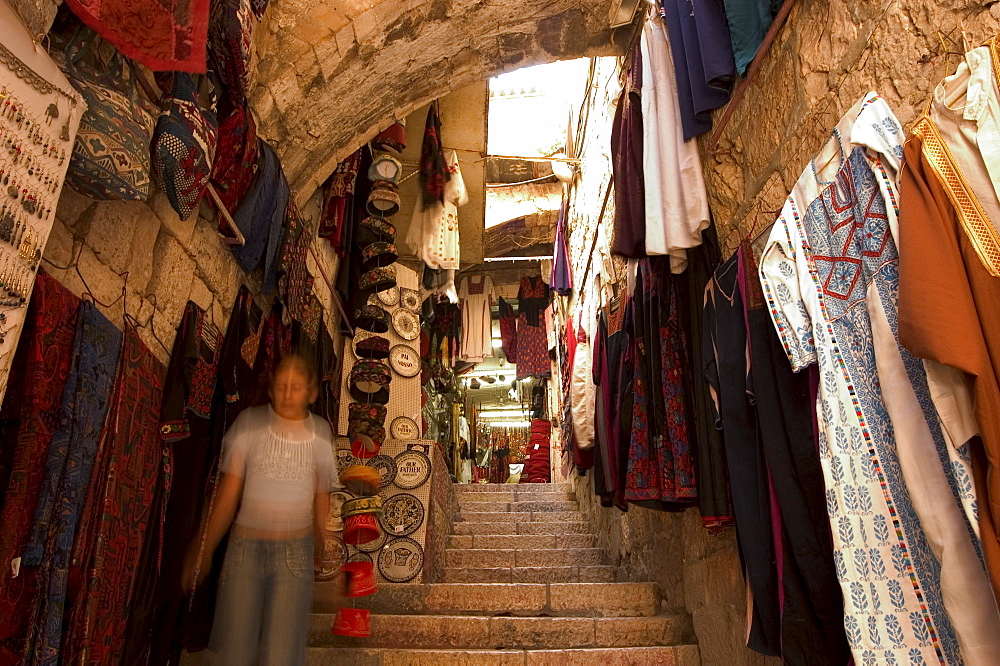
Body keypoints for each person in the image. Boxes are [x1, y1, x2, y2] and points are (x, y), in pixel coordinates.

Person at [181, 353, 336, 665]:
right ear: (270, 390)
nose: (287, 394)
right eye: (281, 386)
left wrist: (323, 543)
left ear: (311, 393)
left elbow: (321, 495)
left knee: (283, 649)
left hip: (295, 553)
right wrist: (204, 549)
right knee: (235, 646)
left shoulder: (320, 434)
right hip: (245, 551)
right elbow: (227, 494)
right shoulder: (249, 425)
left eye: (295, 387)